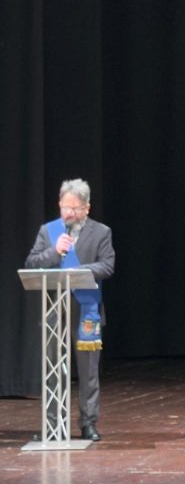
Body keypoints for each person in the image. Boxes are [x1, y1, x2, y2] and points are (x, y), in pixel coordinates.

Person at [25, 179, 115, 442]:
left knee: (88, 370)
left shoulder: (101, 232)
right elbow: (32, 262)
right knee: (53, 368)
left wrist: (80, 271)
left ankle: (88, 422)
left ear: (87, 208)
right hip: (55, 309)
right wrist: (55, 252)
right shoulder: (48, 231)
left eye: (75, 208)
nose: (69, 213)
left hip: (85, 308)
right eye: (65, 207)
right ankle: (54, 423)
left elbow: (107, 266)